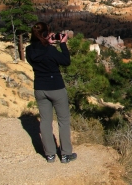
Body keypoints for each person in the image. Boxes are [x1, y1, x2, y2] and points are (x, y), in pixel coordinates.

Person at [26, 22, 77, 164]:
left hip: (40, 88)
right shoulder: (50, 50)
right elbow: (66, 61)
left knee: (45, 121)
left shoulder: (29, 50)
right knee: (63, 121)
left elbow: (37, 59)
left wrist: (45, 43)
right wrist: (62, 44)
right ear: (45, 34)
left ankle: (50, 155)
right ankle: (66, 154)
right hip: (56, 87)